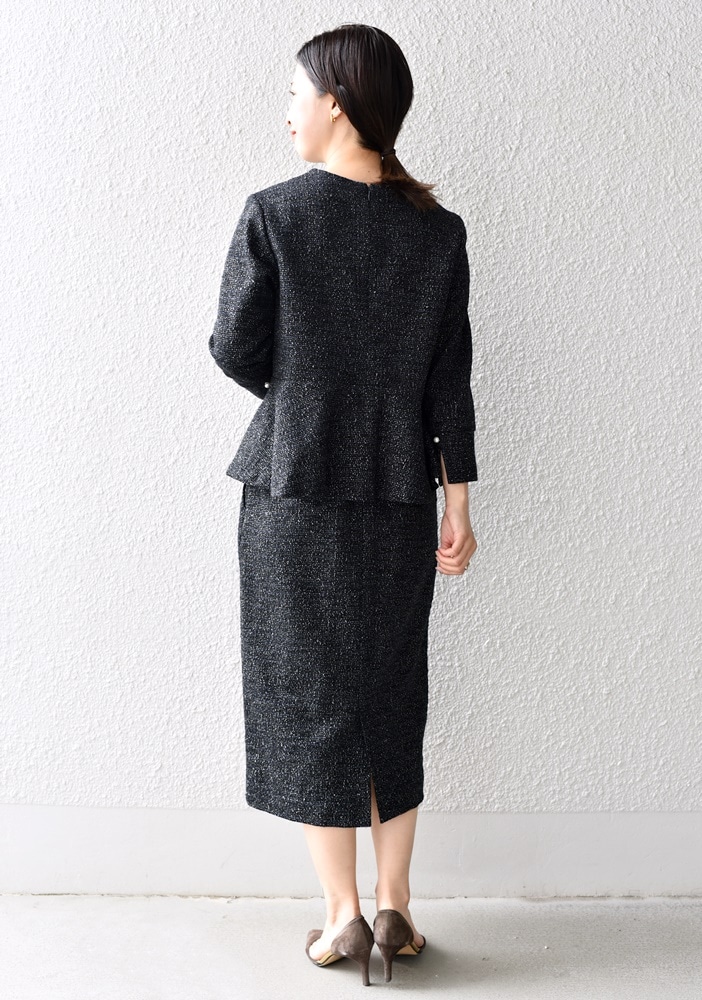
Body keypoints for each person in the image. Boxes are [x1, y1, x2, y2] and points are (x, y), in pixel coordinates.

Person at [209, 23, 478, 987]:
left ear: (335, 101)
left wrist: (305, 392)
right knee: (391, 687)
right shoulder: (437, 232)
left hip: (295, 487)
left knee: (311, 693)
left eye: (296, 93)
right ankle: (398, 906)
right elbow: (450, 381)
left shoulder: (275, 215)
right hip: (404, 492)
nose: (288, 111)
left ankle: (342, 917)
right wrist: (457, 499)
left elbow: (234, 347)